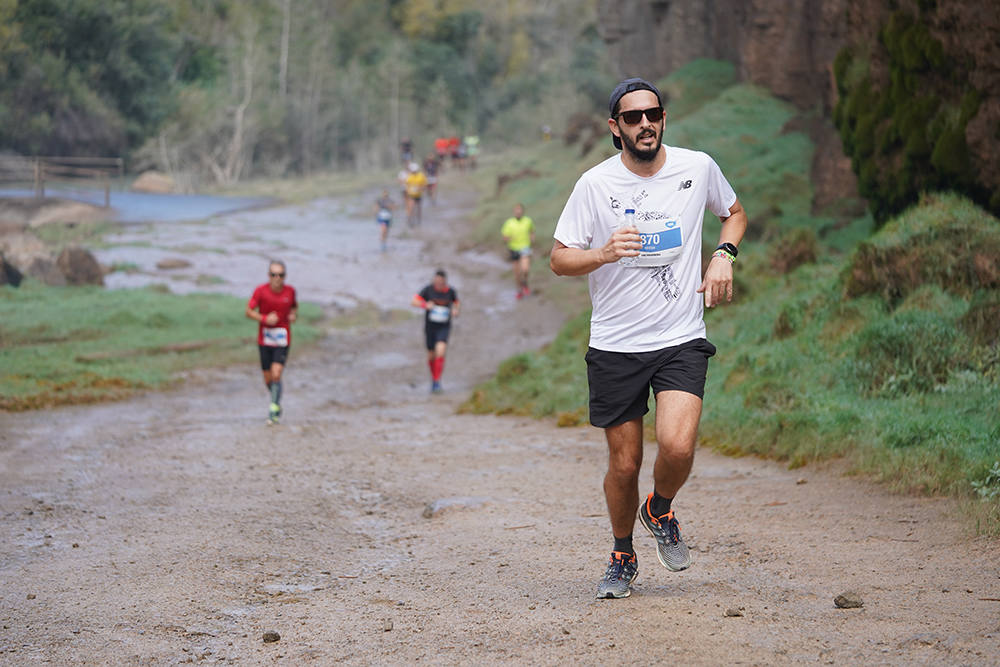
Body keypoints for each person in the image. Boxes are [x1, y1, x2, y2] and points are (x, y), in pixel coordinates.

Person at [550, 77, 748, 599]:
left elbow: (733, 213)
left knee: (678, 447)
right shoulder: (594, 185)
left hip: (681, 336)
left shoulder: (697, 167)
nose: (645, 124)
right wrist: (602, 253)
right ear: (615, 127)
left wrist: (724, 255)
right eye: (633, 117)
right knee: (625, 463)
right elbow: (559, 258)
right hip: (616, 343)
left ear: (663, 119)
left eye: (653, 114)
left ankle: (659, 508)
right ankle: (622, 553)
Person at [246, 260, 299, 425]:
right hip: (265, 339)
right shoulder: (260, 291)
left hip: (283, 338)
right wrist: (264, 318)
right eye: (274, 274)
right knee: (268, 378)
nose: (277, 278)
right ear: (269, 276)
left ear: (285, 276)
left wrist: (293, 315)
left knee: (277, 373)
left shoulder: (290, 292)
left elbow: (294, 307)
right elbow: (248, 311)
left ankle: (273, 409)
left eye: (281, 275)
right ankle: (276, 399)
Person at [411, 269, 459, 393]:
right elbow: (414, 301)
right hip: (430, 327)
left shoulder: (451, 292)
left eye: (440, 282)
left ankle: (437, 381)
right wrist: (425, 305)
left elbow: (456, 303)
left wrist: (455, 310)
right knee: (431, 355)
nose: (438, 284)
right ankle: (433, 378)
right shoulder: (428, 290)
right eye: (436, 282)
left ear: (444, 282)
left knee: (441, 351)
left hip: (444, 326)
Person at [500, 203, 535, 299]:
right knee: (517, 273)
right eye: (516, 210)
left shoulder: (528, 221)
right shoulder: (509, 223)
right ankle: (519, 290)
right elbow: (504, 237)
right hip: (514, 249)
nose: (518, 212)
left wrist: (532, 239)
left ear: (523, 211)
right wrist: (509, 238)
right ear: (514, 211)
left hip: (525, 248)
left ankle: (525, 284)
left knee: (525, 269)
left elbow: (532, 231)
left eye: (520, 210)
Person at [404, 162, 427, 226]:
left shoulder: (421, 176)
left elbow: (424, 184)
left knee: (419, 208)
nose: (414, 171)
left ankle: (419, 221)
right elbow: (406, 184)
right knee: (411, 207)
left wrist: (421, 188)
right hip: (411, 195)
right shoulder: (409, 176)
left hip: (419, 195)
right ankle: (410, 220)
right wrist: (408, 191)